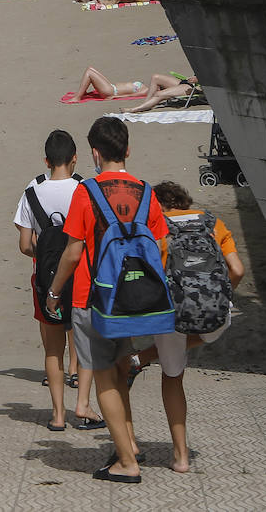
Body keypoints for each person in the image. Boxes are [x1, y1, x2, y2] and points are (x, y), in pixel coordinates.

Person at [44, 117, 169, 484]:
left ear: (95, 153)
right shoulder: (146, 191)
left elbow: (73, 251)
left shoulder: (87, 192)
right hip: (131, 299)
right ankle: (128, 442)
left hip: (92, 297)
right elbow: (161, 245)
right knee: (118, 369)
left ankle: (127, 462)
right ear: (127, 150)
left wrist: (54, 293)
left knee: (104, 378)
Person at [125, 181, 246, 472]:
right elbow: (238, 270)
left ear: (160, 206)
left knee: (173, 375)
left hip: (172, 315)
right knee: (208, 331)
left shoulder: (159, 228)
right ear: (185, 202)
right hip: (216, 316)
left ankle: (180, 457)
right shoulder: (213, 223)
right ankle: (145, 357)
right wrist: (221, 295)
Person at [14, 131, 105, 432]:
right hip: (82, 276)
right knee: (82, 337)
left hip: (45, 276)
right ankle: (82, 398)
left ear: (46, 161)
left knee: (51, 349)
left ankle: (57, 414)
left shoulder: (32, 191)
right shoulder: (85, 189)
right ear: (75, 157)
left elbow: (25, 244)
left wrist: (43, 254)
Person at [123, 73, 202, 114]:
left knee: (159, 94)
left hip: (194, 88)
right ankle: (146, 104)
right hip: (187, 82)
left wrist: (198, 79)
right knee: (155, 77)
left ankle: (135, 109)